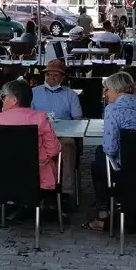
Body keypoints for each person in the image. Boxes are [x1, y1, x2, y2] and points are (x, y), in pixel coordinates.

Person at [89, 71, 136, 230]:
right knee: (99, 154)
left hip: (122, 167)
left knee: (98, 162)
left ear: (116, 89)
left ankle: (103, 211)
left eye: (107, 89)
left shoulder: (112, 110)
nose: (105, 93)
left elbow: (110, 148)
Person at [0, 79, 61, 193]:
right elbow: (54, 149)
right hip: (34, 177)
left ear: (14, 100)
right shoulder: (40, 118)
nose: (1, 100)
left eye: (3, 97)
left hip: (1, 176)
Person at [32, 58, 83, 197]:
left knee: (68, 147)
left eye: (55, 75)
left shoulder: (71, 95)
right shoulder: (33, 93)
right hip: (39, 135)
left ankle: (66, 193)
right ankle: (33, 189)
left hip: (63, 135)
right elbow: (27, 115)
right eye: (48, 74)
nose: (51, 78)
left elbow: (78, 119)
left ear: (63, 77)